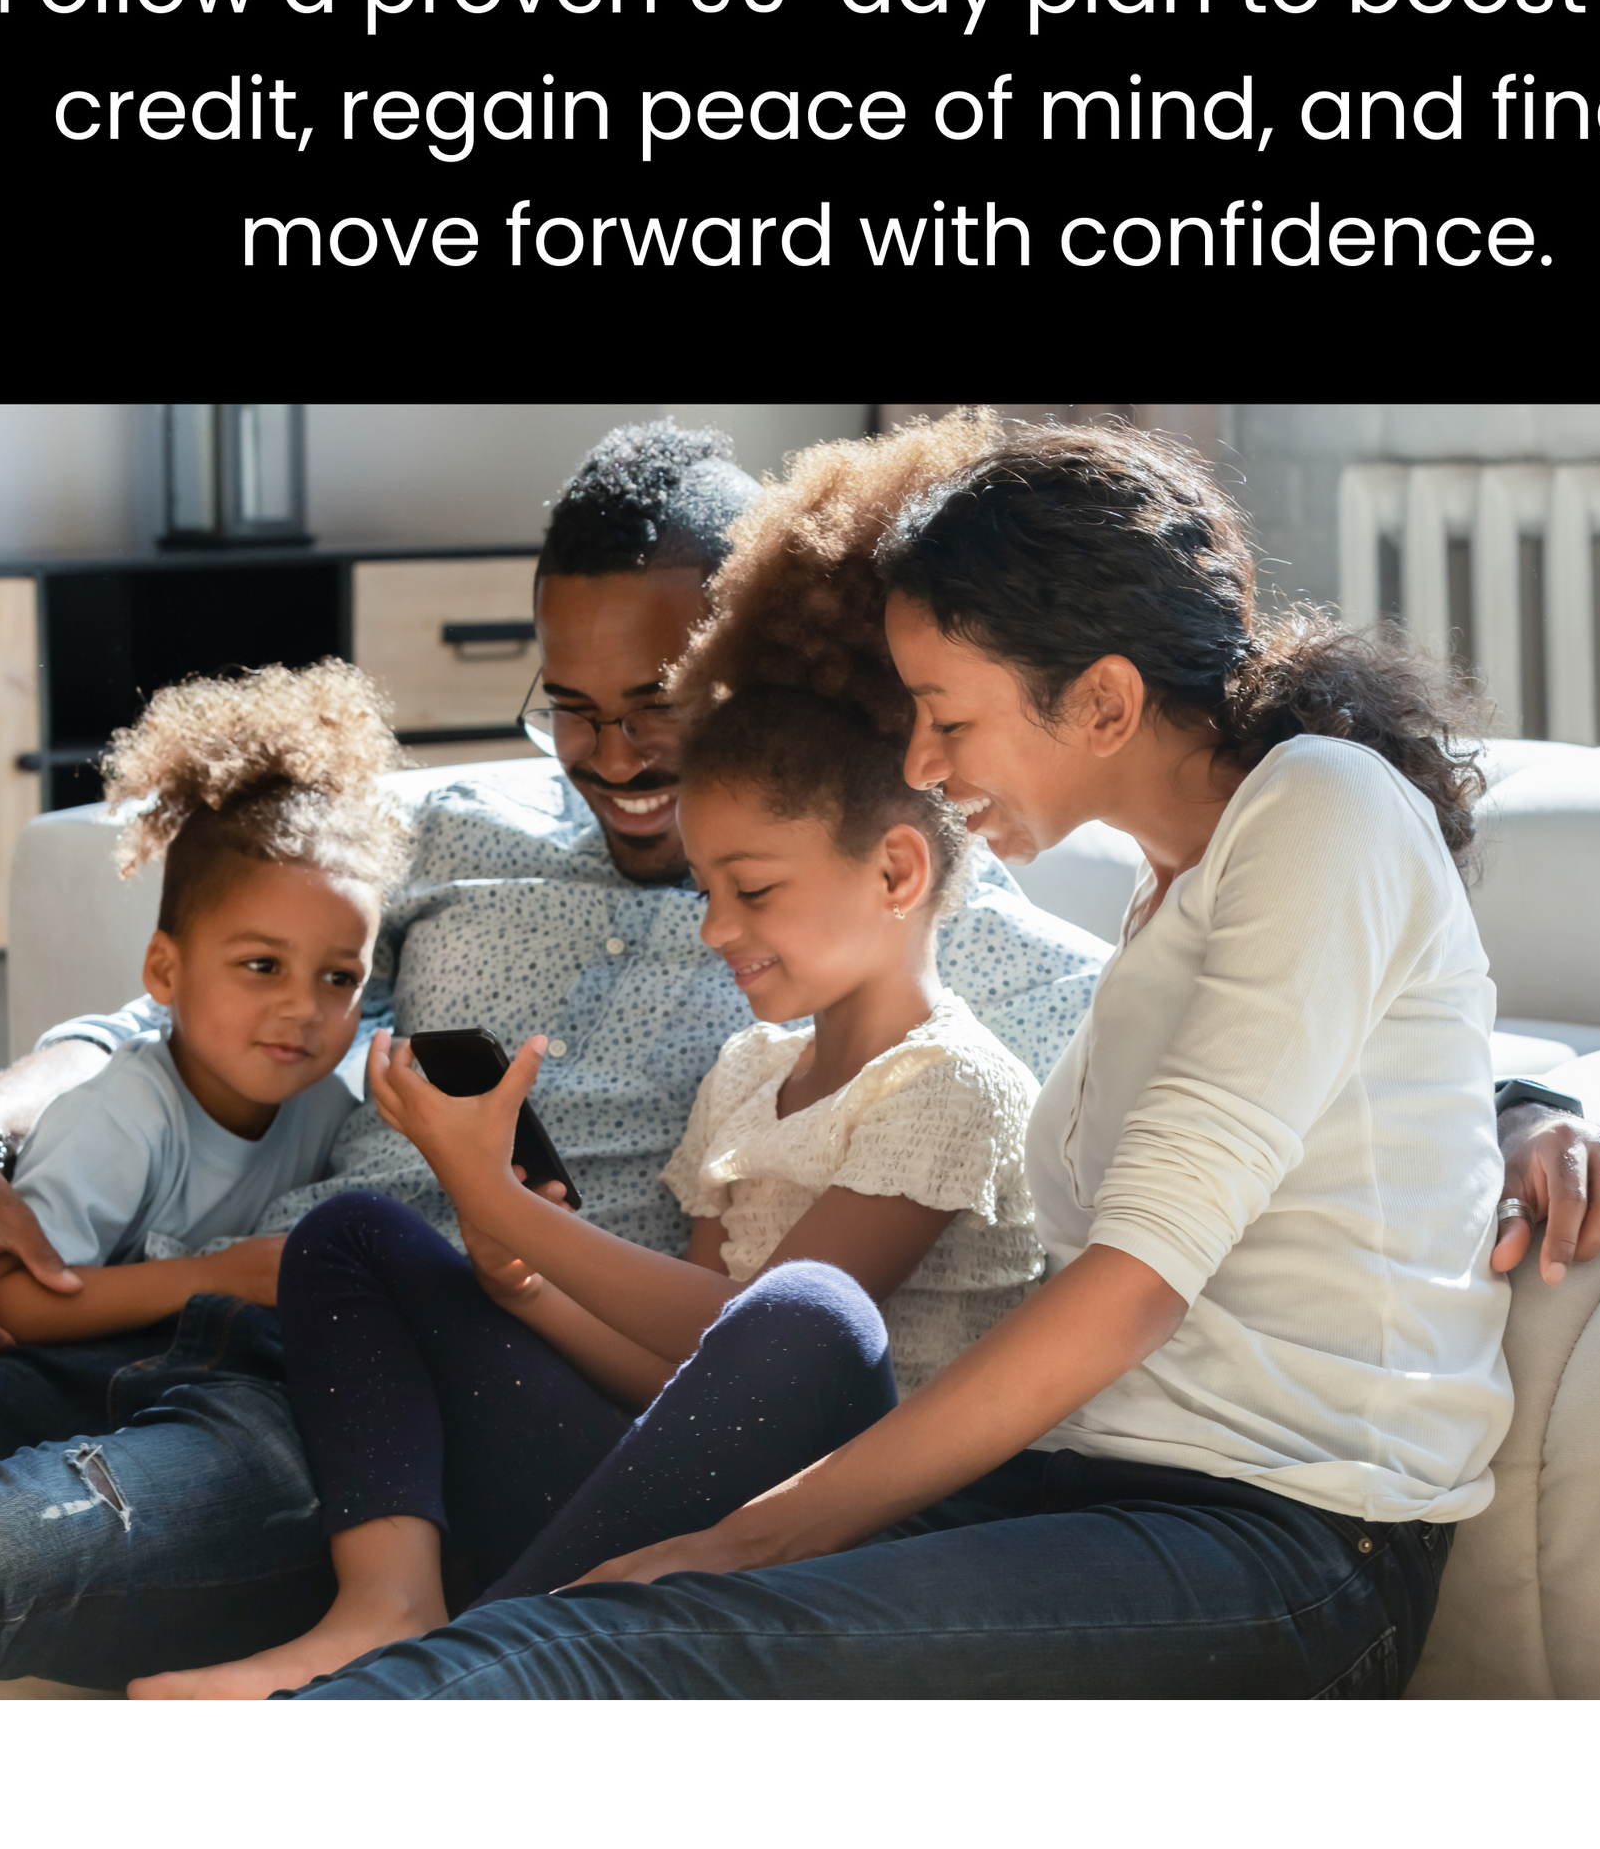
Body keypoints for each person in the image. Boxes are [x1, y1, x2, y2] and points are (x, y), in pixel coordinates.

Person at [0, 416, 1600, 1698]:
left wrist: (1530, 1108)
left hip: (453, 1440)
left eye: (662, 714)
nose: (613, 759)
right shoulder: (460, 844)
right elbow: (213, 966)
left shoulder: (974, 918)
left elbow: (1245, 1145)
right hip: (262, 1317)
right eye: (571, 706)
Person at [134, 523, 1042, 1698]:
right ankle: (389, 1613)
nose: (716, 928)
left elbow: (761, 1337)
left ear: (898, 873)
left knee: (807, 1314)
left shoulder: (952, 1087)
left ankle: (463, 1663)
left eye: (752, 890)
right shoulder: (749, 1073)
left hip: (837, 1525)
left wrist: (498, 1202)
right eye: (708, 888)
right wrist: (530, 1289)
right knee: (351, 1238)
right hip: (666, 1489)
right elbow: (678, 1381)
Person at [0, 662, 407, 1423]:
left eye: (338, 978)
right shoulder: (124, 1113)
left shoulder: (324, 1111)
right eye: (260, 966)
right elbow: (9, 1297)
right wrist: (220, 1275)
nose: (302, 1007)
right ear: (163, 969)